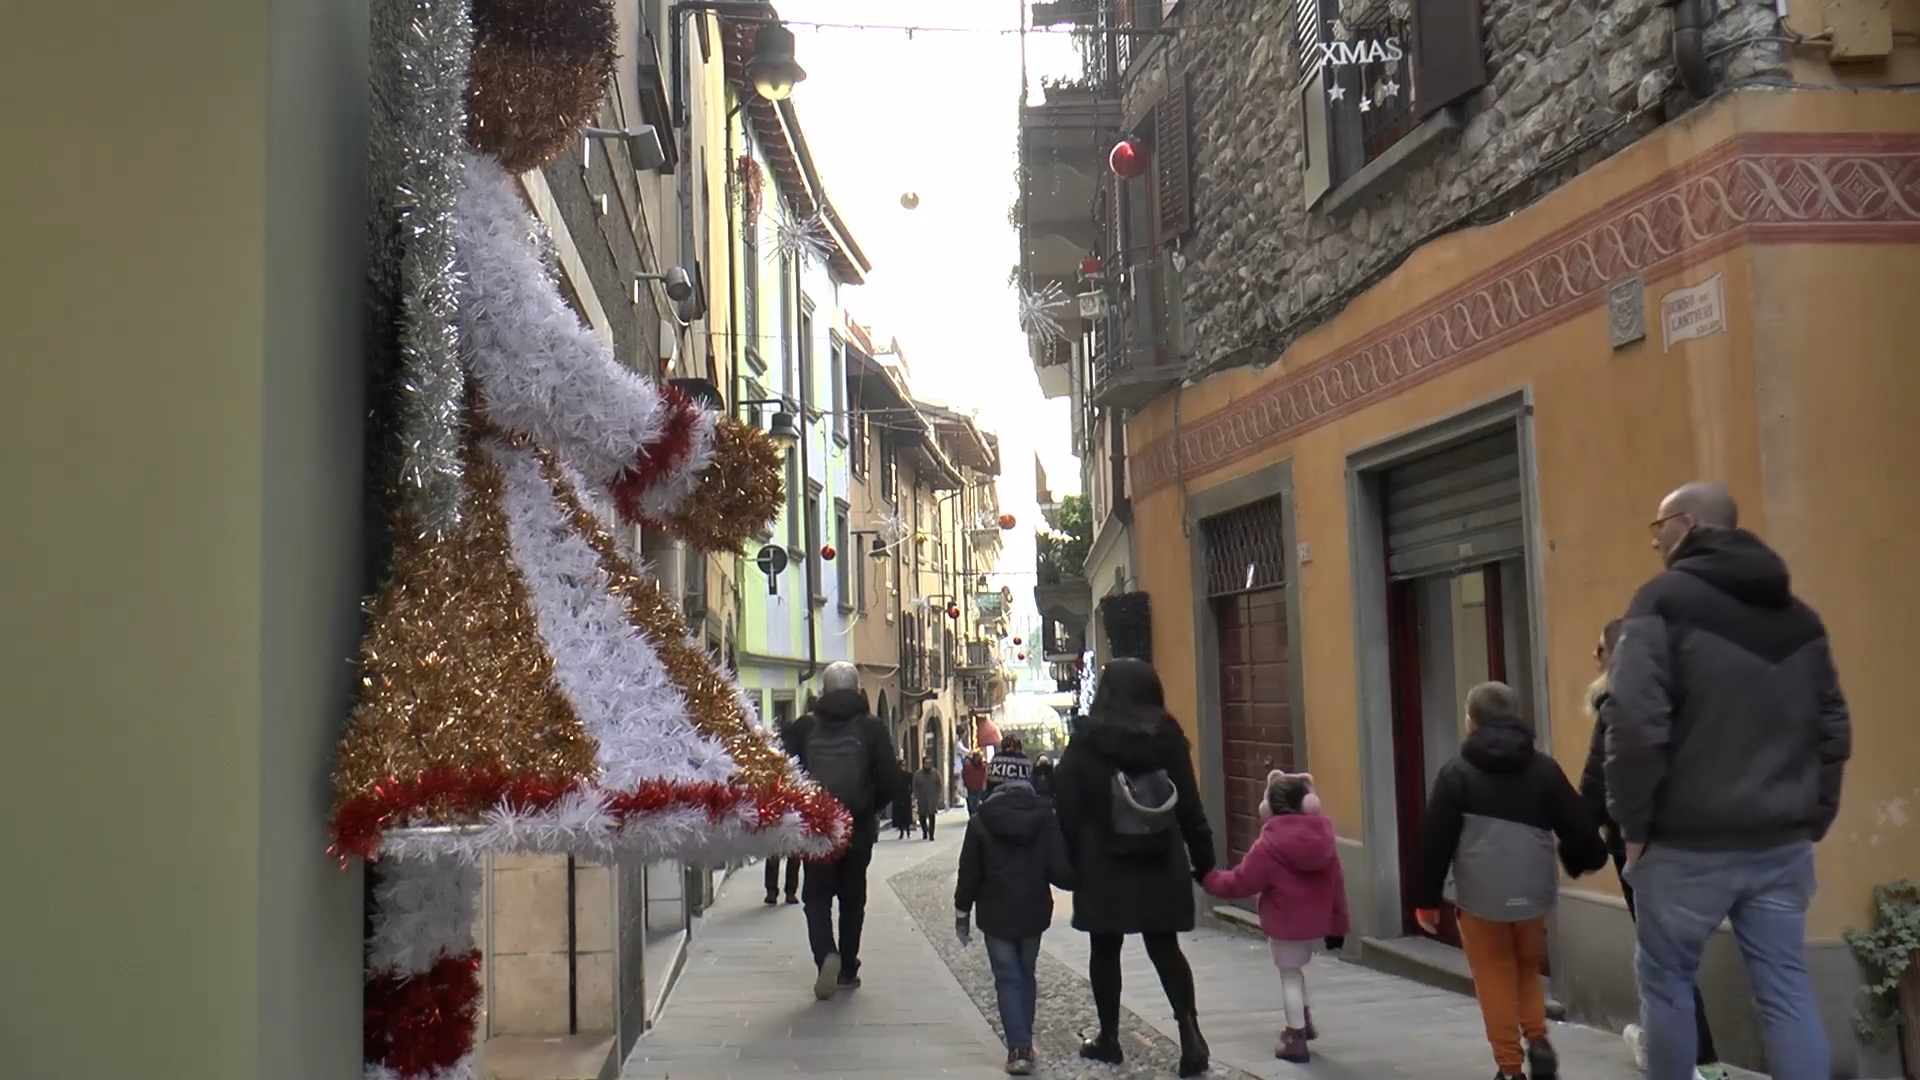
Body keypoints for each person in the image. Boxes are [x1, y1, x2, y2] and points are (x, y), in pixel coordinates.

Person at [1606, 482, 1851, 1080]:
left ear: (1687, 524)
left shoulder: (1660, 601)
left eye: (1659, 526)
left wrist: (1633, 824)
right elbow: (1833, 726)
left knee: (1666, 986)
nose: (1656, 538)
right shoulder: (1799, 618)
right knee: (1786, 990)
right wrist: (1814, 814)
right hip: (1780, 842)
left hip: (1685, 842)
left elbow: (1636, 723)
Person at [1417, 681, 1608, 1080]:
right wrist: (1588, 857)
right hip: (1533, 893)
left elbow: (1436, 840)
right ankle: (1537, 1038)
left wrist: (1426, 899)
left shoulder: (1456, 774)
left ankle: (1509, 1066)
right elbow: (1578, 823)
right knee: (1524, 965)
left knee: (1494, 977)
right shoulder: (1543, 769)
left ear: (1471, 722)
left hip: (1481, 898)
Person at [1054, 658, 1216, 1077]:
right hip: (1161, 857)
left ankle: (1109, 1037)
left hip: (1102, 859)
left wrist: (1071, 859)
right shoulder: (1168, 738)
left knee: (1104, 948)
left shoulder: (1087, 740)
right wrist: (1205, 861)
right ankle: (1190, 1032)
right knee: (1165, 947)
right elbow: (1191, 807)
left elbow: (1067, 806)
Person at [1580, 619, 1726, 1079]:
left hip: (1642, 850)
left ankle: (1692, 1060)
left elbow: (1596, 789)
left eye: (1601, 650)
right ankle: (1683, 1052)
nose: (1595, 658)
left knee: (1663, 959)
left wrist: (1581, 834)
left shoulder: (1617, 709)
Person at [1201, 772, 1348, 1064]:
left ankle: (1295, 1037)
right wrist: (1338, 924)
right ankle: (1303, 1024)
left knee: (1290, 975)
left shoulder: (1270, 843)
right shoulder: (1324, 838)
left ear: (1270, 807)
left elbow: (1240, 882)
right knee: (1297, 971)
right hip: (1315, 923)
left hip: (1284, 923)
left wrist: (1208, 879)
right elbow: (1337, 884)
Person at [785, 662, 906, 1000]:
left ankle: (826, 955)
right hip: (857, 828)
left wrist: (805, 809)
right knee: (853, 900)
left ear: (823, 691)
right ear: (856, 691)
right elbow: (893, 781)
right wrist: (867, 806)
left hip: (816, 826)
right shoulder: (871, 728)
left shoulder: (804, 727)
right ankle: (848, 969)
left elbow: (785, 773)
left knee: (816, 897)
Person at [954, 774, 1075, 1075]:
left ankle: (1018, 1048)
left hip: (995, 911)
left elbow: (968, 873)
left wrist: (962, 912)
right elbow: (1060, 871)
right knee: (1026, 974)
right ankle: (1025, 1041)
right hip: (1033, 910)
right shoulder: (1045, 819)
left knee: (1007, 977)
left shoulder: (981, 821)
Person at [763, 710, 801, 905]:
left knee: (774, 853)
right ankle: (790, 892)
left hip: (775, 808)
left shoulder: (772, 757)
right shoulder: (798, 757)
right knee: (794, 852)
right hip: (793, 807)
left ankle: (771, 891)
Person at [912, 761, 943, 840]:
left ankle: (931, 834)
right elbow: (915, 786)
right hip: (922, 798)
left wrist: (937, 796)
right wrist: (917, 796)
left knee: (932, 815)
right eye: (926, 763)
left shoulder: (935, 773)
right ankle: (925, 831)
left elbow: (939, 785)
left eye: (929, 763)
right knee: (922, 816)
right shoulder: (918, 774)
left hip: (932, 798)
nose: (928, 765)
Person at [889, 754, 915, 840]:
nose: (904, 767)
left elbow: (912, 784)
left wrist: (911, 792)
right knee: (899, 815)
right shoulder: (895, 776)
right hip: (897, 797)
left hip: (906, 796)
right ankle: (901, 831)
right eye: (902, 765)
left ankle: (907, 831)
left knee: (906, 814)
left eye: (905, 765)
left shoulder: (908, 775)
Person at [962, 750, 988, 814]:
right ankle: (975, 815)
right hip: (977, 787)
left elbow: (964, 776)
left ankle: (973, 815)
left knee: (972, 803)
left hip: (972, 787)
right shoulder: (983, 767)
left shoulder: (968, 767)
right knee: (975, 803)